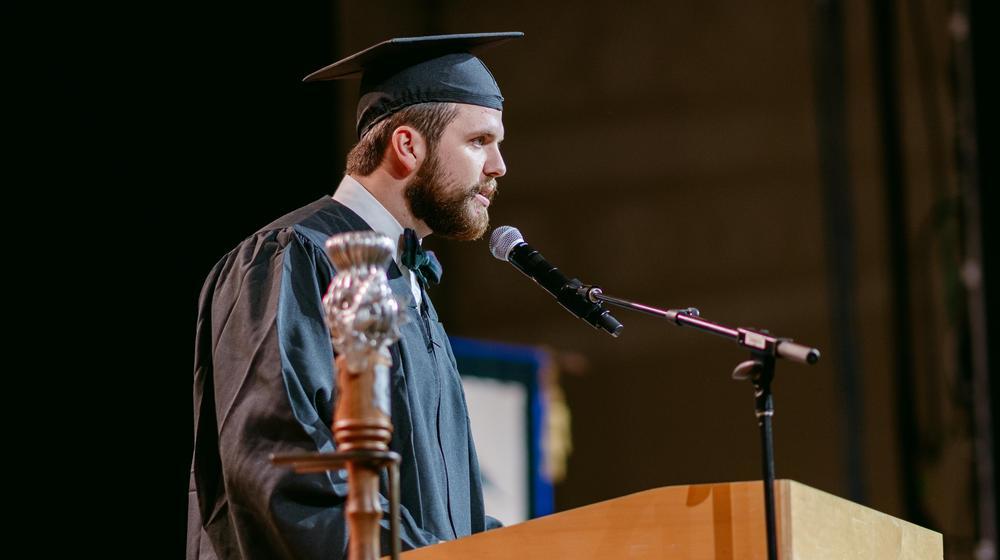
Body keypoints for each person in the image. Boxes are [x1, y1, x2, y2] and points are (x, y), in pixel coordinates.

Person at [186, 32, 522, 560]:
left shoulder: (407, 279)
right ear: (408, 146)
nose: (499, 166)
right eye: (479, 141)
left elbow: (443, 510)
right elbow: (280, 462)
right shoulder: (293, 256)